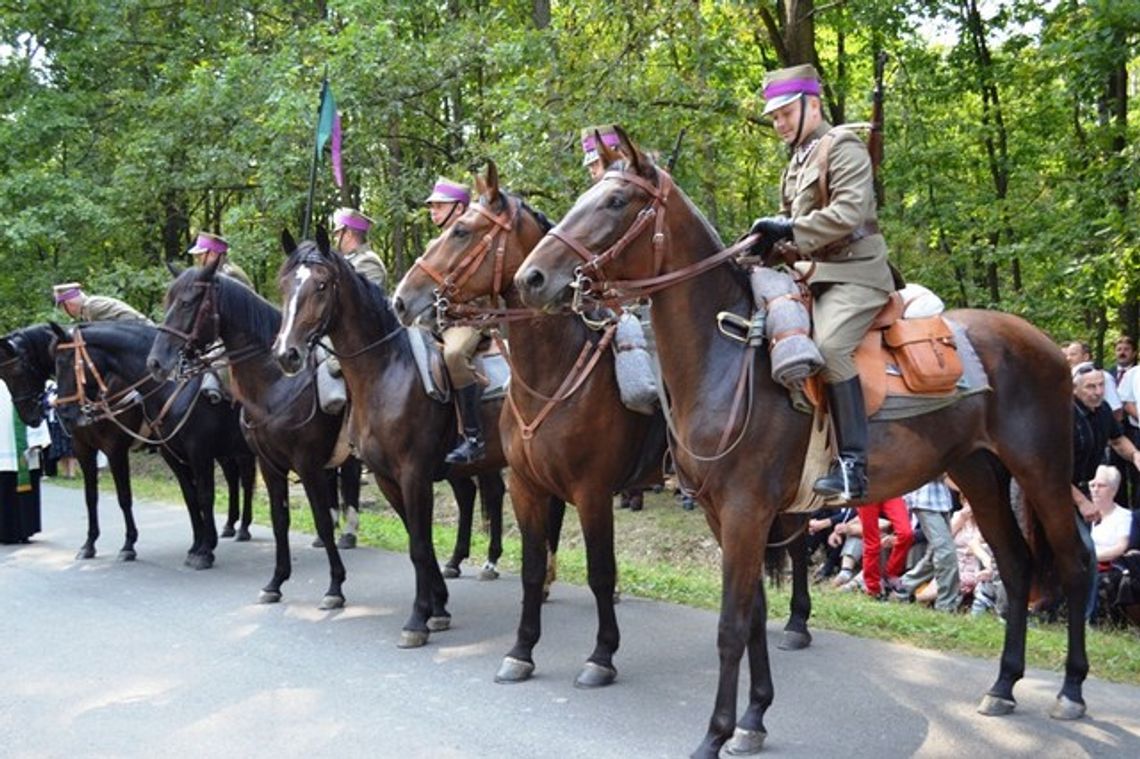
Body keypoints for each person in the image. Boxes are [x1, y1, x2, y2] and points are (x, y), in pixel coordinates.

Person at [744, 64, 894, 501]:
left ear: (813, 105)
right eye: (773, 117)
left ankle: (853, 467)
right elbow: (795, 231)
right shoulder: (798, 160)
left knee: (828, 349)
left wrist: (788, 229)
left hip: (856, 275)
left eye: (785, 113)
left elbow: (848, 214)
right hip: (811, 275)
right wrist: (763, 247)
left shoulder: (842, 145)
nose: (778, 124)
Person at [424, 177, 486, 465]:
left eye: (439, 205)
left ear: (459, 209)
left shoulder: (474, 242)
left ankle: (473, 437)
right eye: (432, 206)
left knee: (454, 354)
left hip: (469, 319)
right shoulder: (436, 244)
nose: (432, 211)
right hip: (436, 321)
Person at [894, 477, 961, 611]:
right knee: (946, 553)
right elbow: (939, 469)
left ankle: (902, 586)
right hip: (925, 500)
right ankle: (946, 607)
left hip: (941, 500)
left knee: (935, 554)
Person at [1, 381, 52, 544]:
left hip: (23, 448)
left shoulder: (23, 379)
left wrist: (38, 438)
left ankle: (24, 530)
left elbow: (32, 408)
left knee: (22, 486)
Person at [1085, 465, 1132, 622]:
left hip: (1112, 566)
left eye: (1101, 485)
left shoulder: (1123, 516)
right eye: (1092, 485)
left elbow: (1121, 547)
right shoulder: (1086, 515)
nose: (1095, 489)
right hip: (1086, 564)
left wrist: (1092, 557)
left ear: (1113, 489)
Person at [855, 496, 913, 598]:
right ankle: (873, 589)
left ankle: (891, 574)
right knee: (872, 542)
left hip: (891, 490)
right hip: (866, 492)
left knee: (906, 534)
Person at [331, 208, 387, 287]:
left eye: (337, 233)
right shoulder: (349, 259)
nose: (335, 238)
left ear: (349, 234)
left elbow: (368, 297)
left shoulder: (368, 261)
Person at [53, 283, 152, 324]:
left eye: (63, 308)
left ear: (69, 304)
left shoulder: (91, 307)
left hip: (142, 331)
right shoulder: (88, 308)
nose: (65, 313)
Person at [188, 232, 254, 289]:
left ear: (212, 254)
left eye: (200, 255)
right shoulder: (218, 272)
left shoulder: (229, 275)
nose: (197, 259)